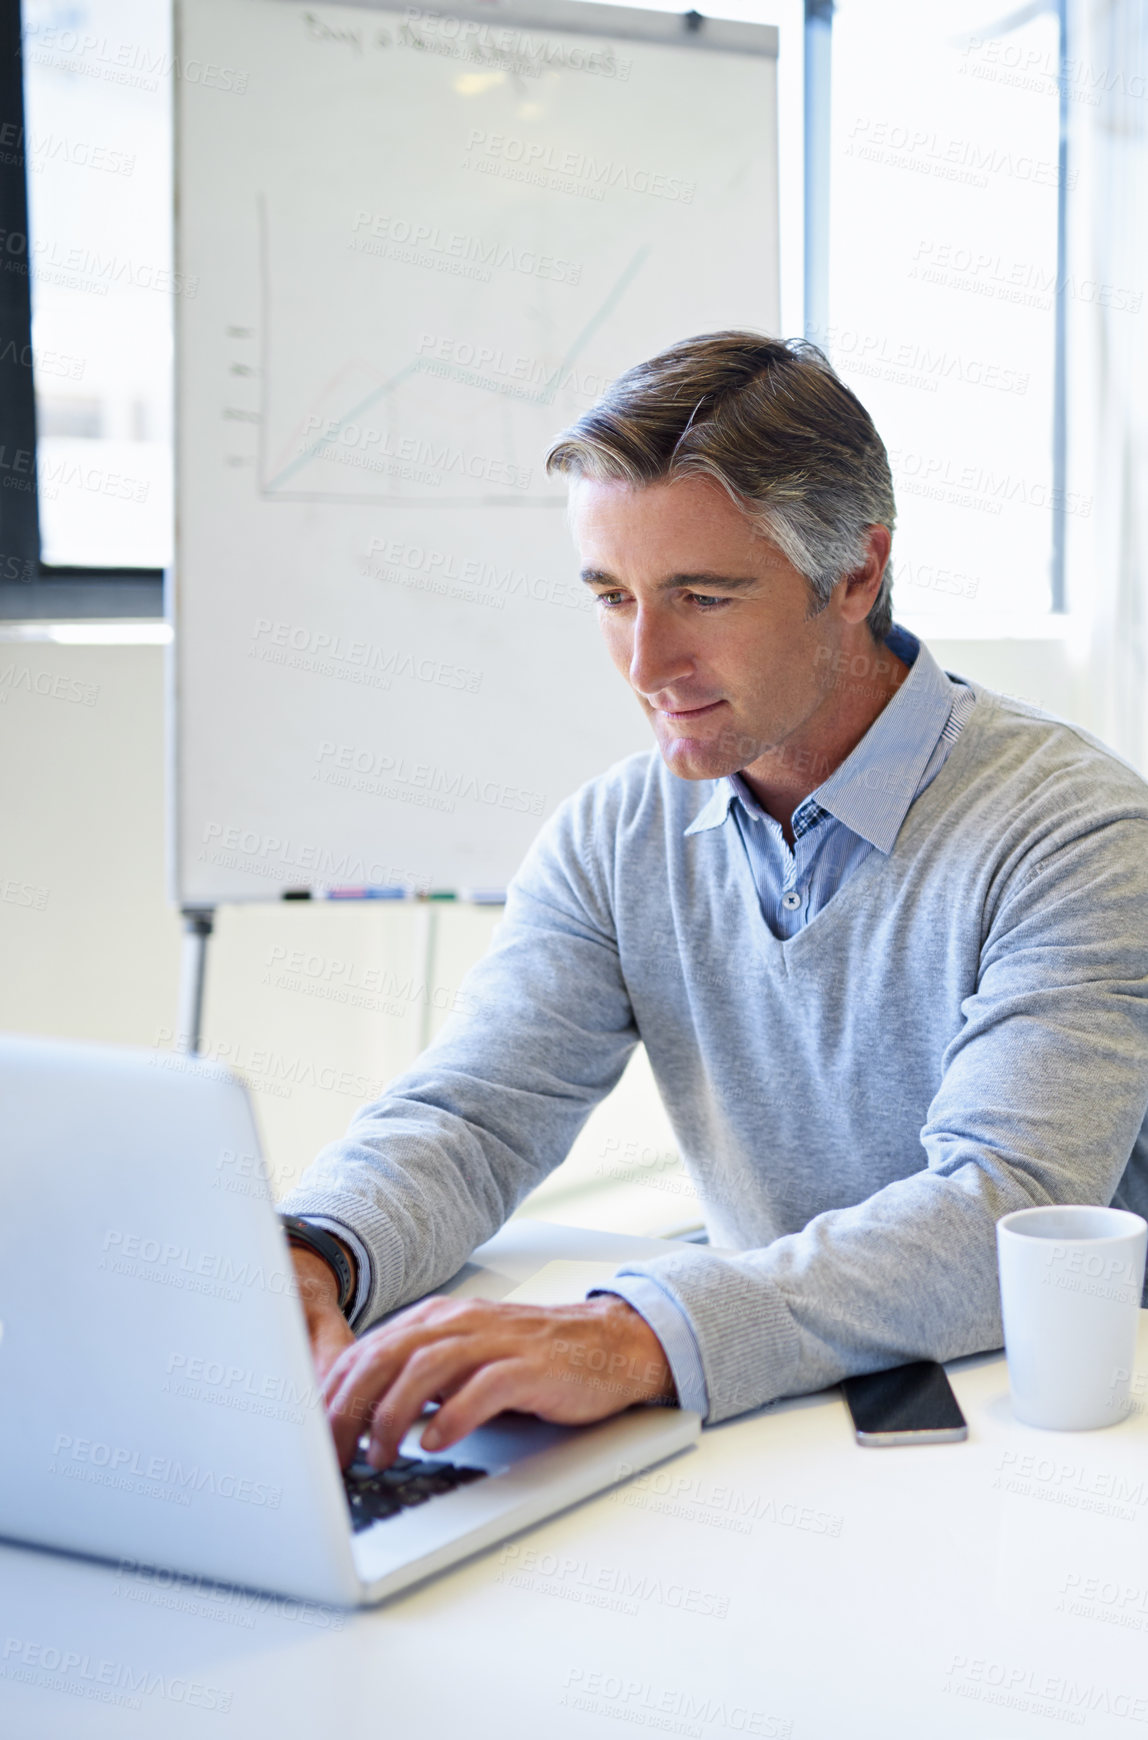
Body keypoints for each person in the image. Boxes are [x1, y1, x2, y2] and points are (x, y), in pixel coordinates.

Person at [280, 331, 1148, 1471]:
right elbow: (474, 1117)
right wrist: (314, 1253)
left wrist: (630, 1333)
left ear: (854, 573)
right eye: (610, 595)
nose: (646, 662)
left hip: (1026, 1446)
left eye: (700, 595)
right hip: (765, 1424)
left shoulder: (1072, 830)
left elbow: (1000, 1209)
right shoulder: (612, 834)